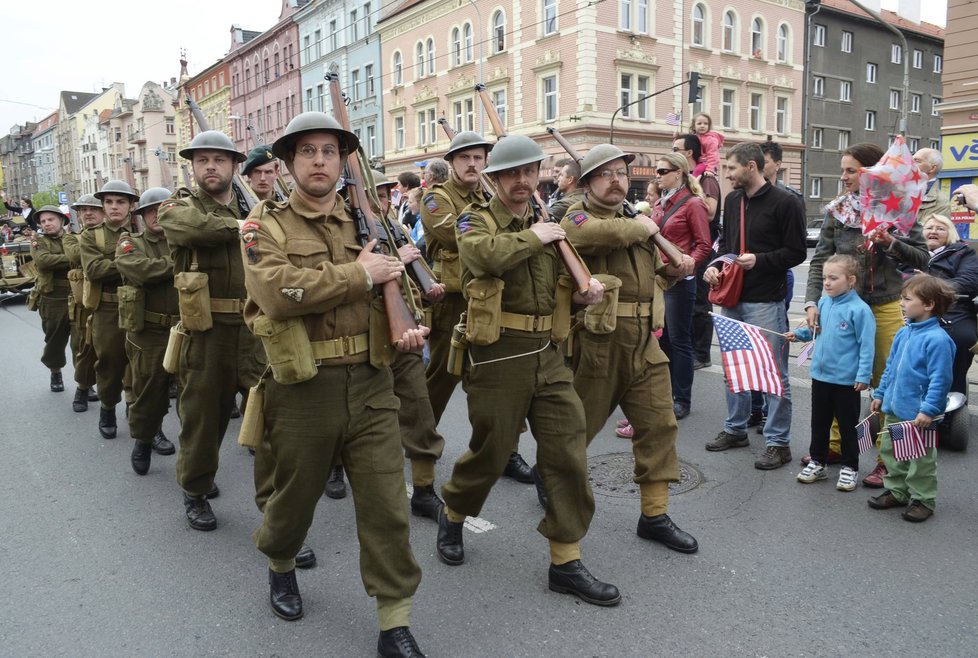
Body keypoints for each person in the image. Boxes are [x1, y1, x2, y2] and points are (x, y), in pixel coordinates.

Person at [242, 112, 427, 656]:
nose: (319, 160)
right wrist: (358, 275)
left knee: (387, 506)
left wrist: (408, 324)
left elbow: (395, 284)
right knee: (293, 499)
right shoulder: (262, 225)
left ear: (341, 161)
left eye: (329, 151)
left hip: (372, 383)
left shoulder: (366, 222)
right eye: (308, 152)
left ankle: (394, 621)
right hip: (303, 387)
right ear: (289, 163)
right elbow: (276, 292)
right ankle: (280, 562)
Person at [436, 134, 621, 607]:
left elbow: (565, 281)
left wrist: (583, 292)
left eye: (529, 171)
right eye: (512, 173)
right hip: (498, 354)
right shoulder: (474, 218)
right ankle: (455, 510)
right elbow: (480, 258)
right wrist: (533, 237)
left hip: (548, 351)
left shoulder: (550, 221)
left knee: (566, 452)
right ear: (494, 178)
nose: (522, 180)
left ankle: (566, 559)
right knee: (491, 451)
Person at [560, 143, 699, 553]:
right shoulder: (578, 216)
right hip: (599, 342)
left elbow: (652, 276)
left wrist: (672, 270)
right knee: (575, 431)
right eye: (606, 174)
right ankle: (555, 487)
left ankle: (654, 515)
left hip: (645, 341)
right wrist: (647, 226)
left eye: (622, 172)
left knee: (659, 426)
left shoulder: (633, 220)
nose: (617, 179)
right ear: (586, 184)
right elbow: (588, 234)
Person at [804, 143, 929, 486]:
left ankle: (887, 459)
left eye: (851, 171)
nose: (843, 177)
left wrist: (890, 242)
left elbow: (923, 259)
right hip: (843, 307)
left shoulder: (899, 207)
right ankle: (835, 447)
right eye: (843, 170)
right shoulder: (838, 211)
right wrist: (813, 301)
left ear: (873, 174)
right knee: (836, 379)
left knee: (889, 388)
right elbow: (820, 261)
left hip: (886, 304)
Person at [158, 130, 264, 532]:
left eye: (219, 160)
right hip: (207, 334)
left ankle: (277, 515)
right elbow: (193, 228)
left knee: (271, 423)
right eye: (202, 161)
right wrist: (246, 224)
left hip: (256, 330)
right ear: (193, 167)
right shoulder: (178, 206)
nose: (211, 167)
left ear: (235, 167)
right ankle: (196, 490)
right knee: (204, 420)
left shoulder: (255, 205)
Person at [420, 130, 533, 484]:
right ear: (451, 162)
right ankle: (420, 441)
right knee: (441, 377)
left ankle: (506, 451)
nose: (472, 164)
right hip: (451, 301)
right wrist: (502, 239)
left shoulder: (493, 194)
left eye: (478, 158)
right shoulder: (436, 198)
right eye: (465, 158)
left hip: (491, 298)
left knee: (498, 381)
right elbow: (460, 237)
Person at [703, 142, 807, 469]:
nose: (727, 174)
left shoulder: (786, 202)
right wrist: (716, 268)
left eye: (731, 168)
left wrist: (759, 261)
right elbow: (729, 247)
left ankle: (779, 443)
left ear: (750, 166)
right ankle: (736, 428)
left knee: (774, 374)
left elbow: (796, 253)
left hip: (765, 300)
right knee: (733, 368)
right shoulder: (733, 200)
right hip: (733, 297)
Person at [868, 274, 956, 522]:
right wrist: (881, 393)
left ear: (928, 304)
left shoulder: (938, 340)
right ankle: (897, 491)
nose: (901, 303)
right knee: (893, 452)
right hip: (896, 410)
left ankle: (923, 499)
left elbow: (941, 381)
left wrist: (928, 410)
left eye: (907, 299)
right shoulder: (903, 333)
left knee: (921, 460)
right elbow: (890, 368)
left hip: (921, 416)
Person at [788, 255, 875, 491]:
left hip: (847, 380)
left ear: (851, 280)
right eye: (825, 277)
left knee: (848, 426)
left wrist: (863, 375)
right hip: (820, 376)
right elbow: (816, 331)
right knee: (819, 423)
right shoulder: (824, 304)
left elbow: (867, 346)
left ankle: (850, 467)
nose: (826, 283)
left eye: (833, 278)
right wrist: (800, 335)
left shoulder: (860, 310)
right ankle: (818, 462)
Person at [115, 188, 179, 476]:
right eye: (151, 210)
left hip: (188, 328)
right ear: (141, 216)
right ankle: (144, 438)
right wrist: (178, 263)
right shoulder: (131, 242)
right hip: (150, 333)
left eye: (163, 208)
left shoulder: (185, 239)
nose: (157, 215)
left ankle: (195, 467)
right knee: (149, 393)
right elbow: (138, 270)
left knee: (194, 399)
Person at [649, 152, 711, 420]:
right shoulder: (660, 204)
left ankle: (682, 399)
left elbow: (704, 245)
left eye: (663, 171)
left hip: (680, 283)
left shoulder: (693, 204)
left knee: (679, 340)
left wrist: (688, 265)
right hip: (660, 279)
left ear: (679, 173)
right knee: (663, 343)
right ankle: (666, 393)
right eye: (657, 171)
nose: (657, 175)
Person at [79, 180, 140, 440]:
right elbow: (94, 270)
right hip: (107, 308)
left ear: (130, 206)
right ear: (103, 206)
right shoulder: (91, 235)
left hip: (138, 305)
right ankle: (107, 409)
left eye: (121, 201)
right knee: (109, 363)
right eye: (109, 202)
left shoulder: (141, 233)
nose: (115, 207)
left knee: (140, 364)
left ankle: (139, 417)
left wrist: (118, 263)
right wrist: (131, 263)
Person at [673, 133, 721, 370]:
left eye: (676, 148)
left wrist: (690, 202)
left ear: (689, 152)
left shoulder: (706, 179)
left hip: (703, 247)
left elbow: (710, 212)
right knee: (690, 303)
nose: (672, 152)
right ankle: (691, 349)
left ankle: (702, 354)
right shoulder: (689, 179)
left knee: (701, 303)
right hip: (688, 247)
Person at [918, 214, 978, 396]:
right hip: (912, 308)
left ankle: (954, 392)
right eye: (929, 228)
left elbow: (969, 280)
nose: (934, 232)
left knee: (963, 337)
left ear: (950, 233)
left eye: (940, 228)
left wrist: (931, 286)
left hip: (954, 309)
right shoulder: (911, 252)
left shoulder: (964, 252)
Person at [30, 205, 76, 392]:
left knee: (82, 343)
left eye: (51, 220)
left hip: (77, 296)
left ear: (62, 221)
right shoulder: (38, 241)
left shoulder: (72, 239)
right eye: (43, 221)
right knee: (55, 341)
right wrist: (72, 258)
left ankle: (85, 382)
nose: (47, 224)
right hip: (53, 299)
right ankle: (55, 371)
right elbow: (43, 261)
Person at [65, 194, 104, 412]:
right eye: (83, 210)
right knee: (86, 348)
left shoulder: (120, 236)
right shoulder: (73, 238)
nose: (88, 213)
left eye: (93, 209)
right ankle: (82, 388)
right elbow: (75, 254)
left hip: (113, 300)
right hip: (85, 304)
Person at [911, 148, 951, 226]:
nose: (910, 164)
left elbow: (929, 235)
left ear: (932, 168)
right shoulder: (899, 191)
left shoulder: (940, 203)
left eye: (916, 161)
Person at [688, 113, 724, 177]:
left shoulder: (711, 140)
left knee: (697, 171)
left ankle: (693, 184)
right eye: (699, 123)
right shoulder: (693, 137)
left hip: (706, 162)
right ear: (694, 126)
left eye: (705, 124)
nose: (702, 126)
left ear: (709, 126)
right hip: (695, 161)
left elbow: (713, 155)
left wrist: (709, 170)